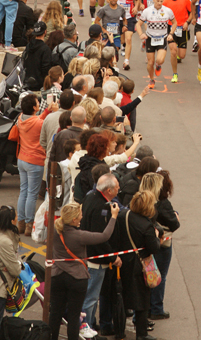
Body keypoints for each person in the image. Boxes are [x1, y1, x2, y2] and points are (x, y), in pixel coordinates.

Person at [49, 198, 119, 340]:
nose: (82, 216)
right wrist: (114, 216)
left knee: (55, 314)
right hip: (76, 279)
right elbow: (105, 236)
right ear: (74, 220)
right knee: (74, 318)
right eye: (80, 214)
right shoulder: (79, 236)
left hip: (57, 276)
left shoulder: (56, 230)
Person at [79, 172, 123, 338]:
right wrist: (113, 257)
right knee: (91, 298)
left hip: (87, 256)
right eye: (117, 187)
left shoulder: (90, 198)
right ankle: (87, 330)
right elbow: (101, 237)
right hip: (96, 261)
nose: (119, 189)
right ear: (110, 190)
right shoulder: (103, 207)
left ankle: (88, 327)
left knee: (90, 297)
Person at [117, 190, 162, 340]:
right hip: (139, 265)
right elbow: (153, 248)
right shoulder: (146, 225)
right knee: (141, 299)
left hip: (121, 262)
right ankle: (141, 334)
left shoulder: (123, 215)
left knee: (120, 299)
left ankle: (119, 332)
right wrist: (156, 237)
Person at [13, 92, 57, 235]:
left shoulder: (21, 119)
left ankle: (20, 223)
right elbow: (41, 123)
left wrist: (46, 111)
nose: (39, 103)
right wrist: (52, 113)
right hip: (35, 161)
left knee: (24, 191)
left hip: (22, 159)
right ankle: (28, 224)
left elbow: (37, 120)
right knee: (32, 194)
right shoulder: (39, 123)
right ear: (33, 107)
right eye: (38, 103)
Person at [139, 170, 179, 321]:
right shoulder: (162, 203)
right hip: (161, 243)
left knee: (146, 273)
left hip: (144, 243)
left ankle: (147, 307)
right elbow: (174, 224)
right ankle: (156, 308)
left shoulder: (140, 200)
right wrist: (175, 215)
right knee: (159, 275)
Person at [136, 0, 176, 88]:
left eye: (161, 1)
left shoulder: (167, 11)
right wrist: (141, 34)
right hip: (150, 38)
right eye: (157, 1)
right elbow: (138, 24)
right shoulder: (147, 11)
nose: (159, 3)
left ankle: (158, 65)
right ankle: (151, 79)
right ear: (153, 0)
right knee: (150, 62)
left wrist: (171, 34)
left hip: (162, 38)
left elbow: (174, 23)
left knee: (159, 60)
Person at [0, 205, 23, 321]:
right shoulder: (5, 241)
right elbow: (15, 270)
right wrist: (16, 265)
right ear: (11, 221)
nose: (18, 218)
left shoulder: (8, 237)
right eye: (16, 216)